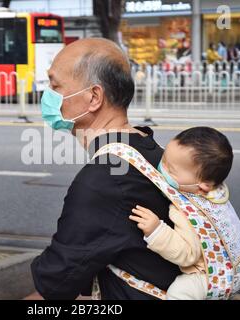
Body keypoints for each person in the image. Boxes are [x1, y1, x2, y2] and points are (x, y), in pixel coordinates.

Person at [31, 38, 181, 300]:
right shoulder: (150, 149)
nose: (48, 96)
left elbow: (56, 281)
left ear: (94, 97)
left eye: (55, 86)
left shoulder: (103, 180)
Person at [129, 127, 240, 299]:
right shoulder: (216, 194)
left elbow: (187, 255)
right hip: (232, 267)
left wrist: (156, 231)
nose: (162, 168)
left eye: (171, 170)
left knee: (178, 292)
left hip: (208, 277)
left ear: (203, 185)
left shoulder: (189, 212)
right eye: (164, 159)